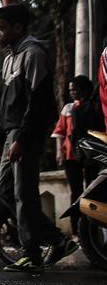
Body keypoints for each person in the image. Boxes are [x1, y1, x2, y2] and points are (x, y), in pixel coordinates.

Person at [0, 4, 79, 273]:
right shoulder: (9, 59)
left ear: (18, 27)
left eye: (1, 29)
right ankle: (55, 239)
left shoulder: (33, 53)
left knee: (23, 192)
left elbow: (38, 102)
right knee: (5, 190)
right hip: (12, 133)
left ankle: (31, 254)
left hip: (26, 132)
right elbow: (8, 104)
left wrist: (23, 138)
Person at [53, 74, 105, 234]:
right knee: (75, 192)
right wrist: (59, 152)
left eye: (75, 90)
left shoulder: (95, 107)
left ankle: (93, 230)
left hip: (91, 155)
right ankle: (76, 230)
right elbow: (60, 132)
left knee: (92, 191)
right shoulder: (68, 109)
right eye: (70, 90)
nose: (72, 93)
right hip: (71, 155)